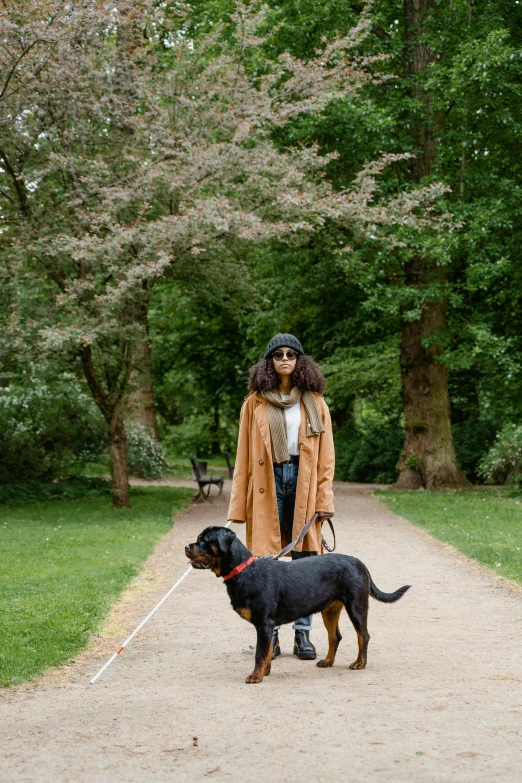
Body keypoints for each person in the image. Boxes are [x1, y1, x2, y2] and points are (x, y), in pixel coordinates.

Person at [227, 333, 335, 660]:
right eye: (278, 355)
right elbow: (243, 455)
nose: (284, 358)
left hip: (303, 479)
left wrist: (324, 501)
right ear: (269, 362)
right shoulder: (254, 402)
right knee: (263, 560)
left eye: (291, 354)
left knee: (305, 559)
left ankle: (303, 634)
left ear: (300, 360)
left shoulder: (315, 402)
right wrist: (236, 507)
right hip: (267, 478)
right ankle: (269, 635)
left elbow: (326, 457)